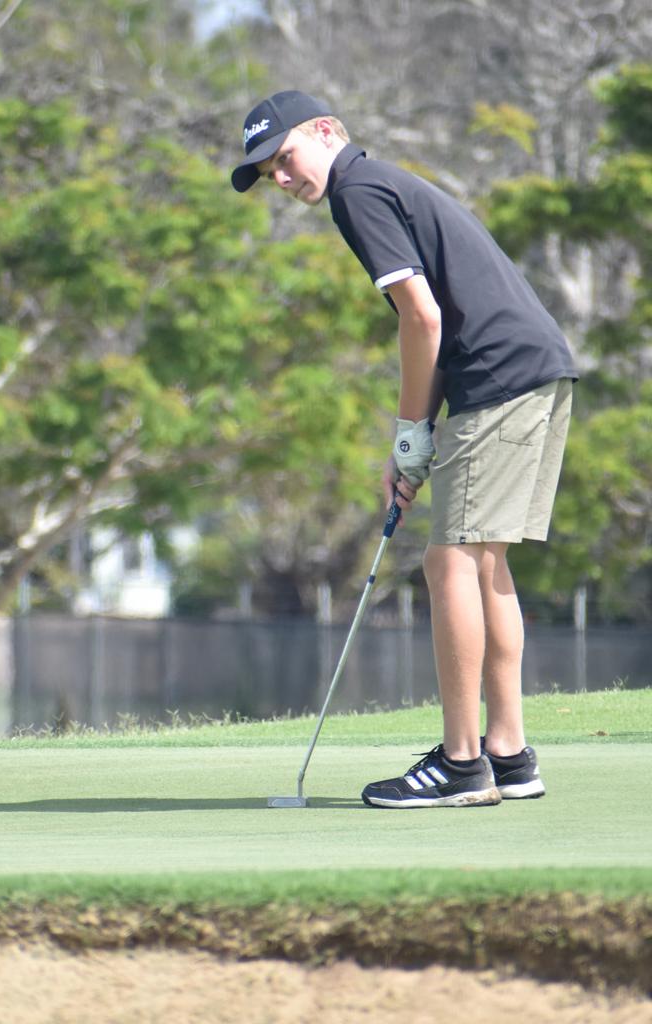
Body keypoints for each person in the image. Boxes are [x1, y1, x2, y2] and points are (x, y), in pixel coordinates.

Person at [231, 90, 577, 808]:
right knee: (483, 562)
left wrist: (409, 428)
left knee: (447, 560)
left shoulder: (356, 191)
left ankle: (461, 764)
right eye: (268, 174)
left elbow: (420, 319)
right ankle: (507, 755)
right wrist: (416, 440)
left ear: (326, 131)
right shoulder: (383, 183)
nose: (283, 179)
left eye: (285, 159)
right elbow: (444, 313)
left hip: (501, 380)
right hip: (535, 372)